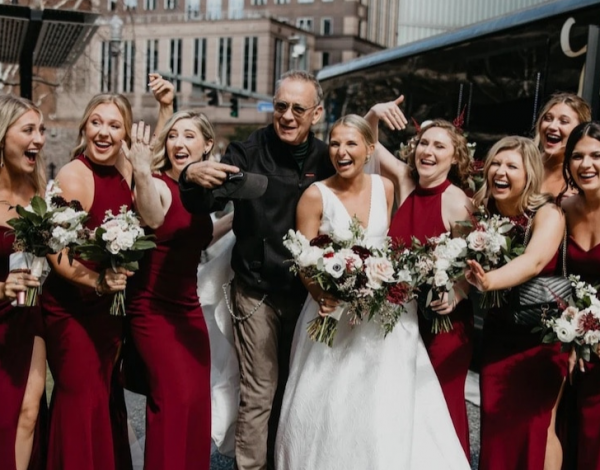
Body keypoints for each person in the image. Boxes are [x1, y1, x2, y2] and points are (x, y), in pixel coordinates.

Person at [275, 114, 470, 470]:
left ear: (369, 150)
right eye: (334, 143)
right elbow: (304, 259)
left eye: (351, 143)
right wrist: (322, 295)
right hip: (332, 314)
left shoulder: (387, 187)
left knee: (387, 400)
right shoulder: (313, 196)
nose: (341, 151)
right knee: (329, 401)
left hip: (387, 317)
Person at [179, 70, 334, 469]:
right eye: (281, 106)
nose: (287, 115)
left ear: (316, 114)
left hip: (309, 294)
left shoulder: (327, 157)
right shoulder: (246, 152)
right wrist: (190, 176)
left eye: (298, 108)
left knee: (298, 389)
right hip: (256, 289)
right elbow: (205, 199)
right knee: (260, 389)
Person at [41, 93, 164, 470]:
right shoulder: (73, 175)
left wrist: (166, 109)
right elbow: (55, 252)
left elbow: (154, 207)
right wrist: (98, 282)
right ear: (84, 127)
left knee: (105, 398)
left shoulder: (127, 170)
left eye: (114, 124)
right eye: (96, 122)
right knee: (80, 399)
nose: (103, 132)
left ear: (125, 132)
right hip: (72, 310)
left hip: (110, 312)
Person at [365, 99, 474, 458]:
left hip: (443, 324)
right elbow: (367, 141)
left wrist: (456, 292)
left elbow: (474, 264)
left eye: (439, 146)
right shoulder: (405, 182)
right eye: (424, 143)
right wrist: (374, 114)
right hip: (400, 322)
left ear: (454, 158)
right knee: (402, 406)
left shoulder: (458, 201)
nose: (428, 150)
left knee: (442, 405)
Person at [466, 136, 567, 470]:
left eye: (512, 166)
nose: (500, 171)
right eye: (496, 162)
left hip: (540, 340)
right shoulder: (484, 215)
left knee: (534, 429)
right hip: (498, 336)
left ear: (530, 175)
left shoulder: (548, 212)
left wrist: (490, 280)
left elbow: (535, 261)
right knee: (495, 426)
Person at [125, 110, 218, 470]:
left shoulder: (201, 194)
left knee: (195, 404)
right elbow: (151, 216)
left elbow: (201, 234)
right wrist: (142, 171)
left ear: (207, 144)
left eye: (189, 135)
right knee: (173, 401)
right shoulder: (160, 184)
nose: (179, 142)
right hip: (152, 310)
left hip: (189, 313)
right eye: (174, 135)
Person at [0, 95, 47, 470]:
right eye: (28, 129)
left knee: (29, 412)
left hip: (30, 317)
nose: (39, 139)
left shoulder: (42, 194)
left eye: (42, 130)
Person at [560, 121, 600, 470]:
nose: (586, 164)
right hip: (573, 341)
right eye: (577, 156)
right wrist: (572, 336)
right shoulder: (564, 208)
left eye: (596, 155)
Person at [534, 92, 591, 198]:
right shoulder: (525, 165)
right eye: (548, 118)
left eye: (563, 121)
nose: (552, 126)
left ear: (580, 130)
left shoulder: (586, 175)